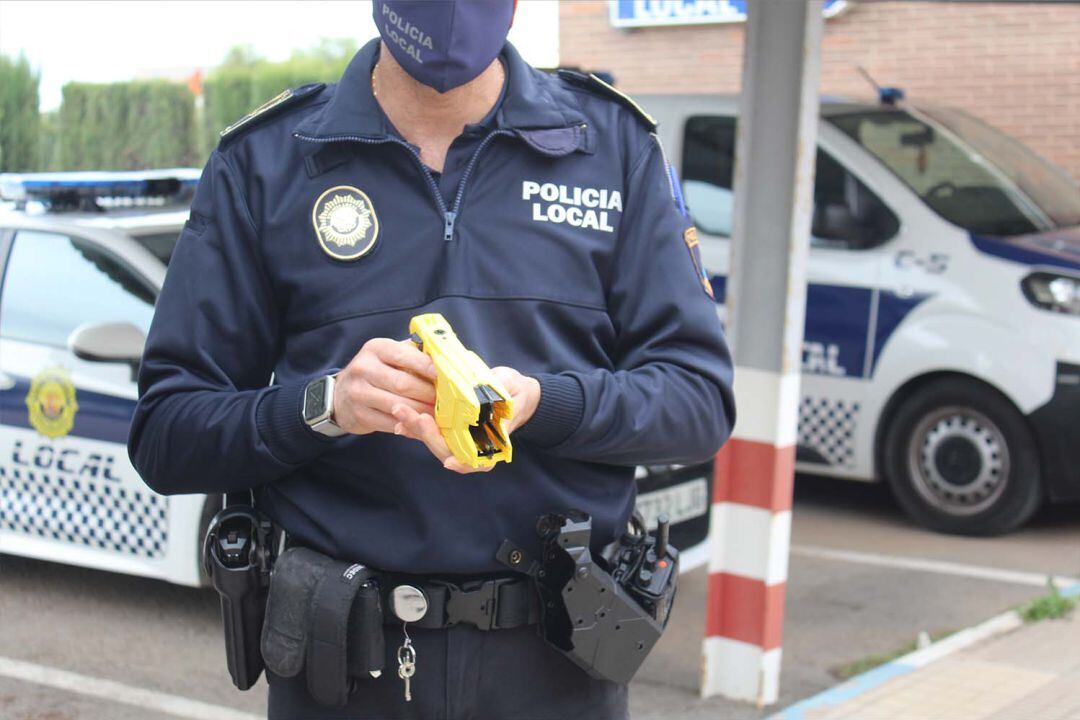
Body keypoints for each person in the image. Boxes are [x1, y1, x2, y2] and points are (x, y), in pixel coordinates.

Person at [128, 1, 735, 717]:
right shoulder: (265, 162)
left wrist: (543, 404)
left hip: (558, 664)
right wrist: (325, 407)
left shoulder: (611, 148)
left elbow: (699, 401)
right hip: (341, 666)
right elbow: (167, 435)